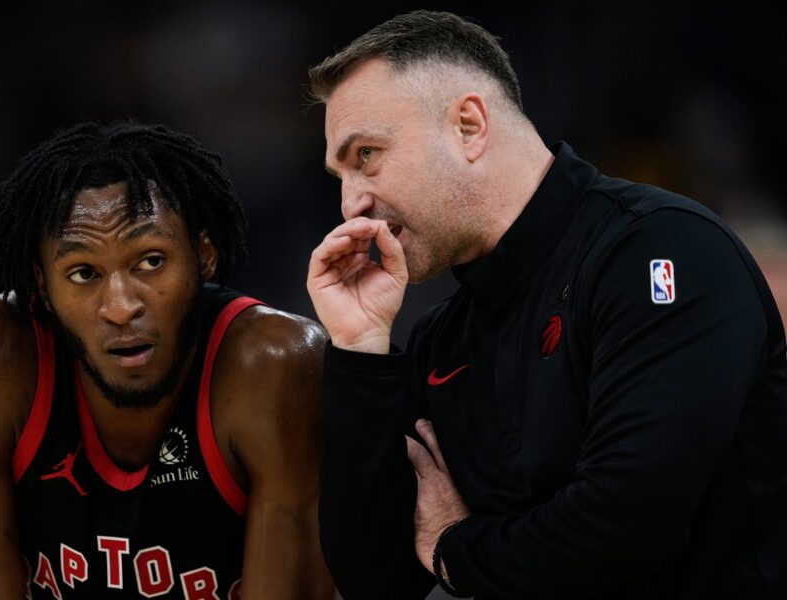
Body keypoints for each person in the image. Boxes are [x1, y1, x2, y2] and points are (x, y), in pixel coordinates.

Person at [306, 10, 786, 600]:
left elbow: (624, 525)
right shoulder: (442, 340)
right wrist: (359, 348)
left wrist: (458, 551)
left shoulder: (664, 249)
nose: (351, 203)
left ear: (469, 125)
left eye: (367, 155)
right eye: (339, 175)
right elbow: (376, 580)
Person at [0, 119, 335, 599]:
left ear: (203, 256)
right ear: (42, 287)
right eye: (82, 273)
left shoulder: (273, 367)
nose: (120, 307)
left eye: (150, 261)